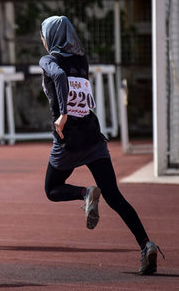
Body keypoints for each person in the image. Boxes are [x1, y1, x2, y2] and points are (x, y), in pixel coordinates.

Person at [38, 15, 163, 275]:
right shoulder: (82, 60)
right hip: (93, 138)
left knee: (52, 189)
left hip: (67, 141)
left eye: (43, 34)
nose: (42, 39)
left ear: (50, 38)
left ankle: (85, 194)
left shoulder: (49, 60)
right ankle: (146, 244)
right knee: (114, 195)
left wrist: (62, 114)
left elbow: (59, 76)